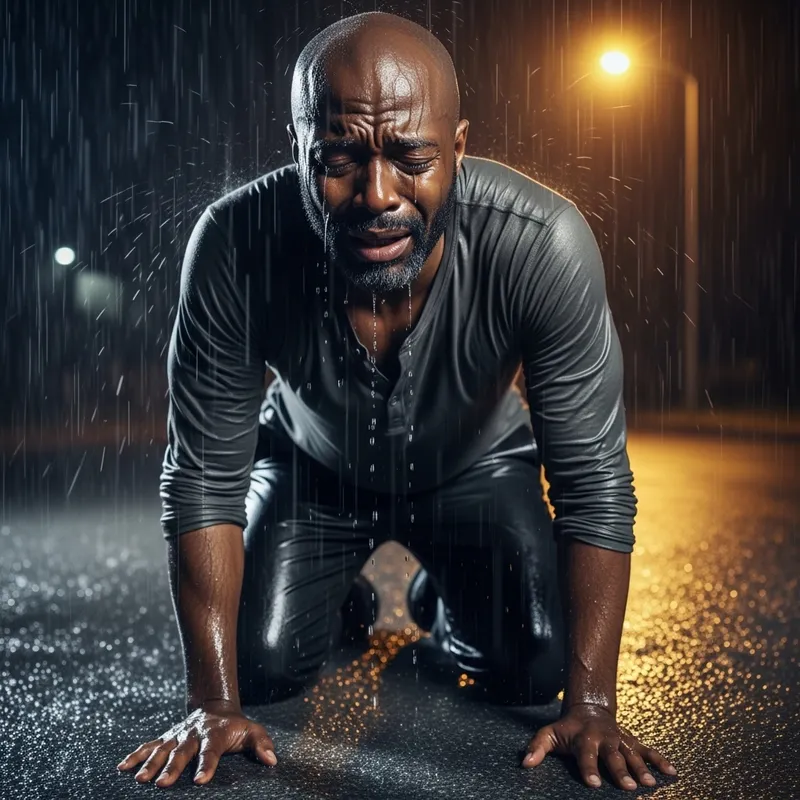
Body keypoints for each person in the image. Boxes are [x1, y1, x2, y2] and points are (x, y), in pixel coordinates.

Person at [118, 11, 677, 792]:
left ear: (457, 150)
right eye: (339, 157)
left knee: (533, 668)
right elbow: (202, 478)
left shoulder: (542, 241)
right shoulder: (234, 242)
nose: (377, 194)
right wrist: (213, 702)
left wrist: (591, 703)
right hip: (314, 470)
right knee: (257, 666)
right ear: (298, 150)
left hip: (478, 469)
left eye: (411, 157)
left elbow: (593, 485)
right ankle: (335, 595)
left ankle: (437, 591)